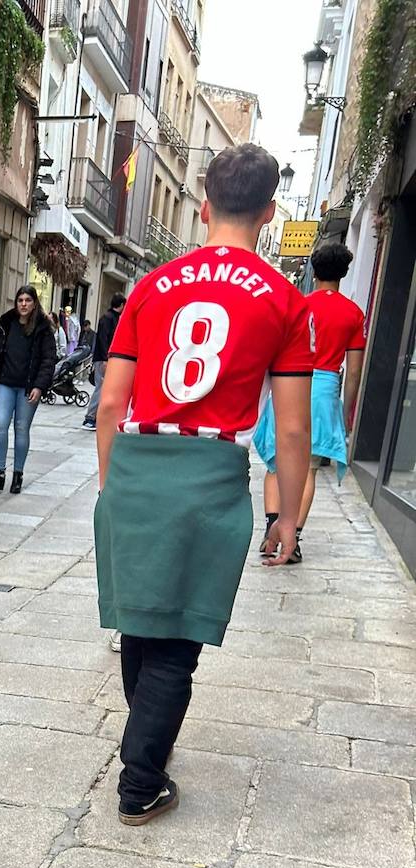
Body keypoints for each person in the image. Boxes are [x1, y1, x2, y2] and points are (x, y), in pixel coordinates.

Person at [93, 143, 313, 825]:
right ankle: (139, 781)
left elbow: (108, 401)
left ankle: (144, 746)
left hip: (136, 461)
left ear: (202, 205)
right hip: (210, 472)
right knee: (177, 637)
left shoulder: (152, 286)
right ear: (269, 213)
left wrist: (112, 482)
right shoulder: (284, 300)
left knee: (140, 620)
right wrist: (289, 517)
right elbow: (294, 430)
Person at [254, 241, 366, 564]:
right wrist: (345, 412)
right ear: (343, 274)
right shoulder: (353, 314)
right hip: (325, 391)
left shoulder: (298, 306)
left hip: (292, 383)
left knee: (276, 463)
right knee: (309, 470)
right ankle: (295, 536)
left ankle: (269, 529)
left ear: (313, 272)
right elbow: (355, 370)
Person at [0, 284, 55, 495]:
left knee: (21, 428)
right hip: (4, 384)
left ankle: (18, 475)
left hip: (28, 387)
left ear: (34, 303)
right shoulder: (6, 323)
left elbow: (49, 360)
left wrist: (40, 386)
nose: (23, 304)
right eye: (20, 300)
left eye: (28, 300)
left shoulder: (43, 328)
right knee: (1, 424)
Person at [82, 294, 125, 430]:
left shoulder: (112, 318)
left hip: (106, 358)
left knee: (104, 388)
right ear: (121, 305)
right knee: (101, 387)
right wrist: (106, 358)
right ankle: (90, 417)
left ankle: (96, 417)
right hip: (103, 359)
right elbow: (103, 340)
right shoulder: (108, 319)